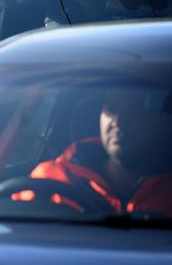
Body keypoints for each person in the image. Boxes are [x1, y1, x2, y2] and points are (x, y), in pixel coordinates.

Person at [31, 87, 172, 216]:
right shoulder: (51, 177)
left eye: (135, 111)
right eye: (111, 109)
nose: (118, 122)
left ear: (164, 123)